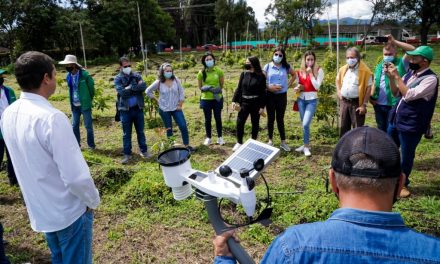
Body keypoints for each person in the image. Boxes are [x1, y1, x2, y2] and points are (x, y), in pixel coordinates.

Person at [213, 126, 440, 263]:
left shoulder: (294, 247)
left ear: (333, 181)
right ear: (401, 184)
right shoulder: (433, 253)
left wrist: (224, 259)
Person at [0, 51, 100, 263]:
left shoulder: (9, 113)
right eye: (55, 73)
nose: (57, 78)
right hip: (68, 213)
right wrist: (92, 200)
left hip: (41, 209)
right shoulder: (51, 118)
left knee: (58, 257)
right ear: (46, 78)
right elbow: (76, 177)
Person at [385, 45, 438, 198]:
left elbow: (408, 95)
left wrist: (396, 76)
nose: (411, 60)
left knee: (407, 155)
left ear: (425, 61)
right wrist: (391, 78)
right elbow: (396, 93)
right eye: (411, 57)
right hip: (396, 119)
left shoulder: (430, 79)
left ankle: (402, 183)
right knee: (390, 150)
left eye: (415, 58)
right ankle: (388, 179)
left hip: (412, 124)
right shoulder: (410, 74)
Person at [370, 35, 414, 132]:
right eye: (385, 54)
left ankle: (392, 147)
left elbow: (412, 50)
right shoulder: (379, 65)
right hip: (379, 105)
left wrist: (394, 41)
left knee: (392, 131)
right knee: (381, 129)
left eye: (390, 54)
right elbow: (375, 81)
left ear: (396, 53)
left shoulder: (402, 63)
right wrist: (372, 97)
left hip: (395, 104)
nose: (387, 56)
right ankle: (383, 147)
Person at [146, 63, 194, 152]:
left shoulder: (176, 80)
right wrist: (156, 99)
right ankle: (172, 147)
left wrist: (180, 104)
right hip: (164, 109)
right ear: (162, 72)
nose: (169, 72)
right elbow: (148, 91)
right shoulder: (159, 82)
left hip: (176, 108)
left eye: (170, 71)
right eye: (166, 71)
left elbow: (181, 92)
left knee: (183, 126)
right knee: (169, 129)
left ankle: (187, 145)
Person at [115, 56, 151, 164]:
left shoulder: (137, 75)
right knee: (127, 133)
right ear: (120, 67)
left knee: (140, 131)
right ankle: (127, 154)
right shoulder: (117, 78)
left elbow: (143, 87)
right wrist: (134, 87)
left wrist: (129, 87)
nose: (128, 67)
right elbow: (122, 93)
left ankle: (144, 151)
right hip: (125, 110)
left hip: (138, 108)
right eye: (125, 66)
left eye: (129, 65)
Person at [59, 55, 96, 150]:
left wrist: (88, 99)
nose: (67, 66)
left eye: (69, 64)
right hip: (74, 105)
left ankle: (91, 145)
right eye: (66, 65)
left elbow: (92, 89)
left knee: (88, 126)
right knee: (74, 125)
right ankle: (77, 145)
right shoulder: (68, 76)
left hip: (84, 105)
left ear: (74, 65)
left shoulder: (84, 75)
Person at [263, 47, 296, 151]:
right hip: (270, 95)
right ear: (273, 54)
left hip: (282, 96)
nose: (277, 56)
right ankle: (270, 140)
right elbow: (261, 80)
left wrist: (287, 85)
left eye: (280, 55)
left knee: (280, 119)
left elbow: (294, 75)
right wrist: (269, 87)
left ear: (283, 57)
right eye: (276, 54)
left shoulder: (286, 66)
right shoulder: (268, 66)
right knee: (271, 118)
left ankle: (283, 142)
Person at [336, 47, 373, 137]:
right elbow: (337, 80)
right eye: (348, 57)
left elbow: (368, 88)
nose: (350, 59)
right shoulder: (343, 69)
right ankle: (344, 149)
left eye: (352, 57)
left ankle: (357, 149)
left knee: (357, 129)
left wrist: (364, 105)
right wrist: (339, 92)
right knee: (343, 127)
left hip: (357, 103)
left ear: (358, 58)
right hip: (344, 102)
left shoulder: (365, 71)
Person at [231, 56, 266, 151]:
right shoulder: (243, 74)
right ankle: (239, 142)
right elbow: (239, 89)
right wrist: (234, 101)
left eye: (248, 62)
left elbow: (263, 93)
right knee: (240, 122)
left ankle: (253, 141)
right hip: (244, 103)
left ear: (254, 63)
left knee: (255, 123)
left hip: (256, 103)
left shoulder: (261, 76)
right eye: (246, 62)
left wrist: (262, 107)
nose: (246, 64)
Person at [293, 51, 324, 157]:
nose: (310, 61)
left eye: (312, 59)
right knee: (304, 124)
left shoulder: (319, 70)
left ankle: (306, 147)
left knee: (306, 123)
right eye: (308, 59)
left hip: (312, 100)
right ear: (304, 60)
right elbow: (300, 84)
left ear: (314, 60)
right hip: (301, 99)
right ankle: (305, 144)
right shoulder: (299, 72)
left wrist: (311, 73)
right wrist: (297, 88)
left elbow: (317, 87)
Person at [197, 53, 225, 146]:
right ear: (204, 62)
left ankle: (220, 137)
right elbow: (200, 87)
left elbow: (221, 85)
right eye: (207, 60)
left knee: (218, 118)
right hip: (206, 99)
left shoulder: (219, 71)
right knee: (207, 119)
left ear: (213, 60)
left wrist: (215, 90)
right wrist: (207, 88)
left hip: (217, 98)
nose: (209, 61)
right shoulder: (201, 73)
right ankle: (208, 137)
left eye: (210, 59)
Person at [0, 69, 17, 186]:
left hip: (9, 129)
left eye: (1, 76)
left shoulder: (9, 91)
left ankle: (13, 179)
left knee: (12, 156)